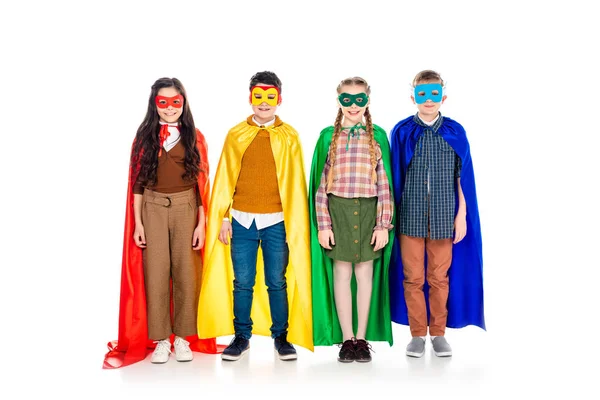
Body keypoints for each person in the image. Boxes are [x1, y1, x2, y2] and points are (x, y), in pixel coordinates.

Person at [103, 77, 220, 368]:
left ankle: (182, 337)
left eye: (175, 102)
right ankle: (161, 340)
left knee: (186, 273)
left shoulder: (195, 136)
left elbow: (202, 185)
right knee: (155, 274)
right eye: (163, 102)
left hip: (186, 208)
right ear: (155, 104)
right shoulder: (144, 136)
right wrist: (138, 223)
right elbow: (138, 184)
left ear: (184, 103)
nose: (170, 108)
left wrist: (201, 223)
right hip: (152, 208)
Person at [197, 71, 313, 361]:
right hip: (241, 221)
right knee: (243, 281)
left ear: (279, 99)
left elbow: (296, 183)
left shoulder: (289, 136)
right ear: (250, 98)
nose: (264, 104)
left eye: (270, 97)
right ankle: (241, 336)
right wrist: (224, 217)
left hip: (276, 221)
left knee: (277, 280)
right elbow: (225, 178)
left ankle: (281, 336)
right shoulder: (237, 134)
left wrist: (293, 223)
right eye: (258, 97)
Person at [389, 70, 484, 358]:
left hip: (445, 216)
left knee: (439, 277)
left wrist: (462, 215)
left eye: (434, 94)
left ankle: (438, 333)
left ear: (443, 96)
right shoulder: (403, 130)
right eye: (422, 94)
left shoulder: (455, 131)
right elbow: (395, 176)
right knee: (413, 278)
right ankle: (418, 334)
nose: (428, 100)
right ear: (413, 97)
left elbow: (462, 177)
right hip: (410, 216)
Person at [309, 77, 395, 363]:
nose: (353, 105)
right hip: (338, 212)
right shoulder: (328, 137)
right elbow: (320, 187)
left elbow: (385, 185)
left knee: (365, 276)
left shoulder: (377, 136)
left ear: (368, 101)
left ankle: (362, 338)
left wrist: (383, 224)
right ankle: (347, 339)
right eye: (347, 99)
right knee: (342, 274)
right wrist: (323, 225)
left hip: (369, 211)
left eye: (359, 99)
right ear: (338, 101)